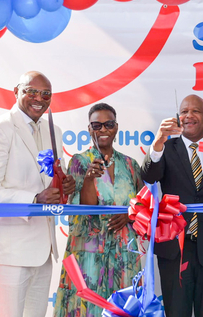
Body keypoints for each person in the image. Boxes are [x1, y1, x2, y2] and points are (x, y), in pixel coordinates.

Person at [0, 71, 76, 317]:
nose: (39, 97)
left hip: (43, 251)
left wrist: (63, 189)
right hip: (9, 251)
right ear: (16, 92)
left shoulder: (54, 131)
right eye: (31, 91)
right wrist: (34, 199)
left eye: (46, 94)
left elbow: (47, 181)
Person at [141, 94, 203, 317]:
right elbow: (149, 177)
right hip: (174, 251)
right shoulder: (165, 148)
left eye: (196, 111)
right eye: (183, 111)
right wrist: (157, 142)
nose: (188, 116)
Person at [54, 103, 143, 317]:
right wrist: (88, 180)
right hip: (88, 255)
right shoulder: (79, 161)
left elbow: (143, 205)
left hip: (123, 254)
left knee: (122, 309)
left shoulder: (131, 164)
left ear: (116, 127)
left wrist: (129, 214)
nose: (103, 130)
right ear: (89, 129)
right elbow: (82, 211)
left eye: (108, 124)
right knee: (87, 310)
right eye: (97, 125)